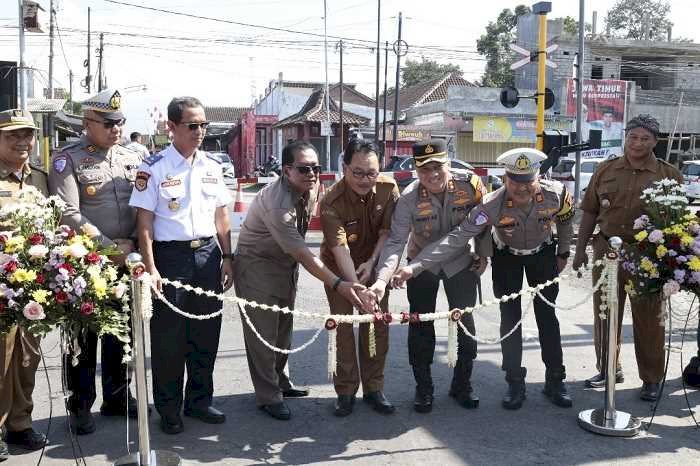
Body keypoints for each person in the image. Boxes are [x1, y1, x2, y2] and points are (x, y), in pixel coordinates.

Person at [390, 147, 575, 411]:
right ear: (506, 179)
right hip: (506, 258)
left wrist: (564, 251)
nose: (521, 189)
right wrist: (483, 255)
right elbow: (465, 233)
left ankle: (556, 380)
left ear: (538, 178)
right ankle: (514, 382)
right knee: (510, 320)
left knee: (547, 317)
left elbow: (566, 220)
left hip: (542, 256)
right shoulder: (490, 204)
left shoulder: (557, 194)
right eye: (514, 182)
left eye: (528, 182)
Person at [233, 140, 371, 421]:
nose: (312, 174)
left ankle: (281, 382)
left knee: (284, 328)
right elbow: (305, 255)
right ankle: (268, 396)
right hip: (256, 266)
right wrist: (339, 284)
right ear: (286, 170)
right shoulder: (278, 204)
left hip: (284, 266)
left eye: (316, 168)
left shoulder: (309, 189)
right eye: (304, 168)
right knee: (263, 334)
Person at [129, 96, 233, 434]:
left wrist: (228, 257)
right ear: (171, 127)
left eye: (204, 125)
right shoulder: (154, 167)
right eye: (192, 125)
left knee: (206, 332)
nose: (200, 131)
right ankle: (169, 409)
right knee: (169, 339)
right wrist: (151, 267)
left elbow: (221, 215)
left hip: (207, 256)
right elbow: (144, 223)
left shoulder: (212, 166)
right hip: (169, 258)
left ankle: (199, 401)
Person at [48, 89, 144, 435]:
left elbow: (143, 205)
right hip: (86, 265)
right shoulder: (67, 158)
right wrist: (107, 246)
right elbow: (67, 212)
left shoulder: (130, 158)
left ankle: (117, 397)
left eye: (120, 122)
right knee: (84, 340)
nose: (116, 128)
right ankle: (80, 405)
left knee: (121, 334)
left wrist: (133, 243)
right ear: (88, 123)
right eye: (108, 122)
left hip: (126, 260)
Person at [369, 139, 489, 414]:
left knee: (465, 324)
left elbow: (482, 224)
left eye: (437, 167)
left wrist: (484, 253)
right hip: (421, 267)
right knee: (420, 326)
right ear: (416, 171)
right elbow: (396, 242)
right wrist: (381, 280)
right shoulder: (409, 197)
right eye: (424, 169)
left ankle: (463, 384)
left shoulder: (470, 186)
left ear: (448, 164)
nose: (432, 174)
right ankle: (423, 389)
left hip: (461, 263)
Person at [573, 114, 683, 402]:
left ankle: (651, 378)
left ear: (655, 142)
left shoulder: (668, 175)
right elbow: (589, 211)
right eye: (633, 137)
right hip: (607, 251)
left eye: (645, 138)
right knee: (605, 314)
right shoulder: (606, 169)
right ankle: (608, 368)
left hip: (648, 256)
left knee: (649, 319)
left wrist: (676, 265)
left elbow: (678, 223)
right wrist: (581, 249)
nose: (637, 143)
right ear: (626, 137)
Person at [320, 140, 399, 417]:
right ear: (344, 168)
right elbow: (339, 248)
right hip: (341, 271)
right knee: (343, 327)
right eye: (357, 172)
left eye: (371, 173)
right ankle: (345, 391)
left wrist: (373, 263)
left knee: (376, 326)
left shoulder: (389, 189)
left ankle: (374, 388)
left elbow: (388, 234)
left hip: (375, 267)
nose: (365, 179)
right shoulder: (331, 199)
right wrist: (355, 287)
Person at [0, 109, 48, 461]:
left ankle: (20, 423)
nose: (22, 142)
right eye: (12, 136)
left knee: (27, 356)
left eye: (27, 135)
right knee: (0, 359)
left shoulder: (40, 180)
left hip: (33, 286)